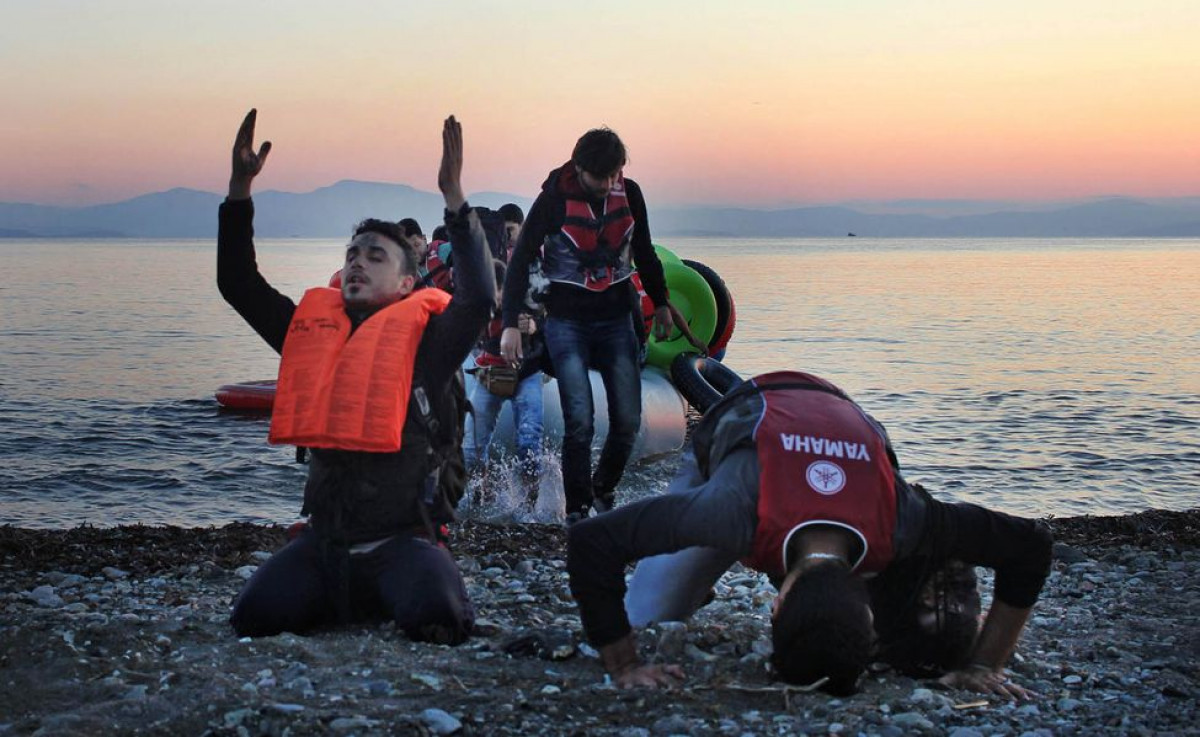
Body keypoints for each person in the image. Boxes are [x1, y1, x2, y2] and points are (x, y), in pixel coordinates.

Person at [567, 371, 1053, 698]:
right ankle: (693, 577)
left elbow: (1031, 543)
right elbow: (592, 541)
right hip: (744, 413)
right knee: (645, 615)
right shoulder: (730, 511)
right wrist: (623, 665)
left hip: (838, 409)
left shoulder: (902, 516)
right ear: (775, 606)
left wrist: (986, 663)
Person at [217, 109, 494, 644]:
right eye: (351, 256)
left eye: (375, 257)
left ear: (408, 284)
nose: (357, 264)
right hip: (326, 544)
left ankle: (397, 588)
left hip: (403, 543)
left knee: (440, 621)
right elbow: (237, 283)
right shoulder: (308, 332)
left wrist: (455, 198)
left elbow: (480, 297)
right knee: (251, 619)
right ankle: (342, 593)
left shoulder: (429, 346)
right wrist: (239, 190)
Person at [500, 128, 674, 523]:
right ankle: (577, 510)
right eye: (600, 176)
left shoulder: (631, 194)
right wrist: (510, 322)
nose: (608, 184)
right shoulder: (553, 200)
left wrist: (662, 303)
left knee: (628, 421)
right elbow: (521, 258)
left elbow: (644, 250)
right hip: (567, 322)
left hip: (617, 318)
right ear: (578, 169)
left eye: (615, 174)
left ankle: (602, 489)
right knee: (579, 421)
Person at [465, 255, 547, 509]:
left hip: (527, 374)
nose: (495, 297)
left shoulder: (529, 302)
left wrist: (535, 326)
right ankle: (479, 498)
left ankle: (529, 505)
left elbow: (555, 324)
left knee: (529, 440)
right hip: (489, 376)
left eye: (498, 290)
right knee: (471, 449)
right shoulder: (478, 308)